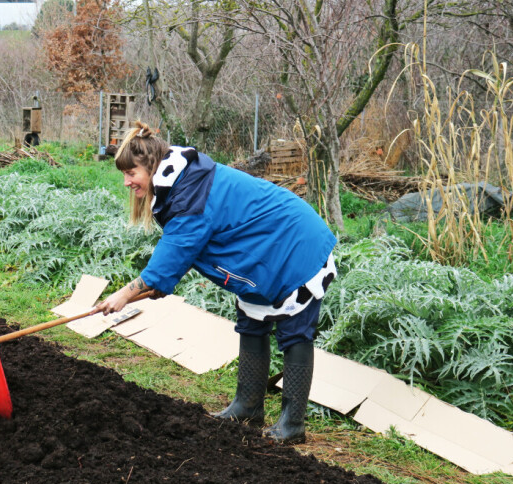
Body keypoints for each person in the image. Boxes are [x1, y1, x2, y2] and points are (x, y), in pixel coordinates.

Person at [94, 121, 337, 445]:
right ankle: (247, 406)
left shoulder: (188, 198)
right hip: (267, 246)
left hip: (295, 247)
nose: (127, 182)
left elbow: (162, 271)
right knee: (251, 321)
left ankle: (291, 425)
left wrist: (122, 296)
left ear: (151, 166)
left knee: (295, 333)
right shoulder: (182, 183)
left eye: (131, 173)